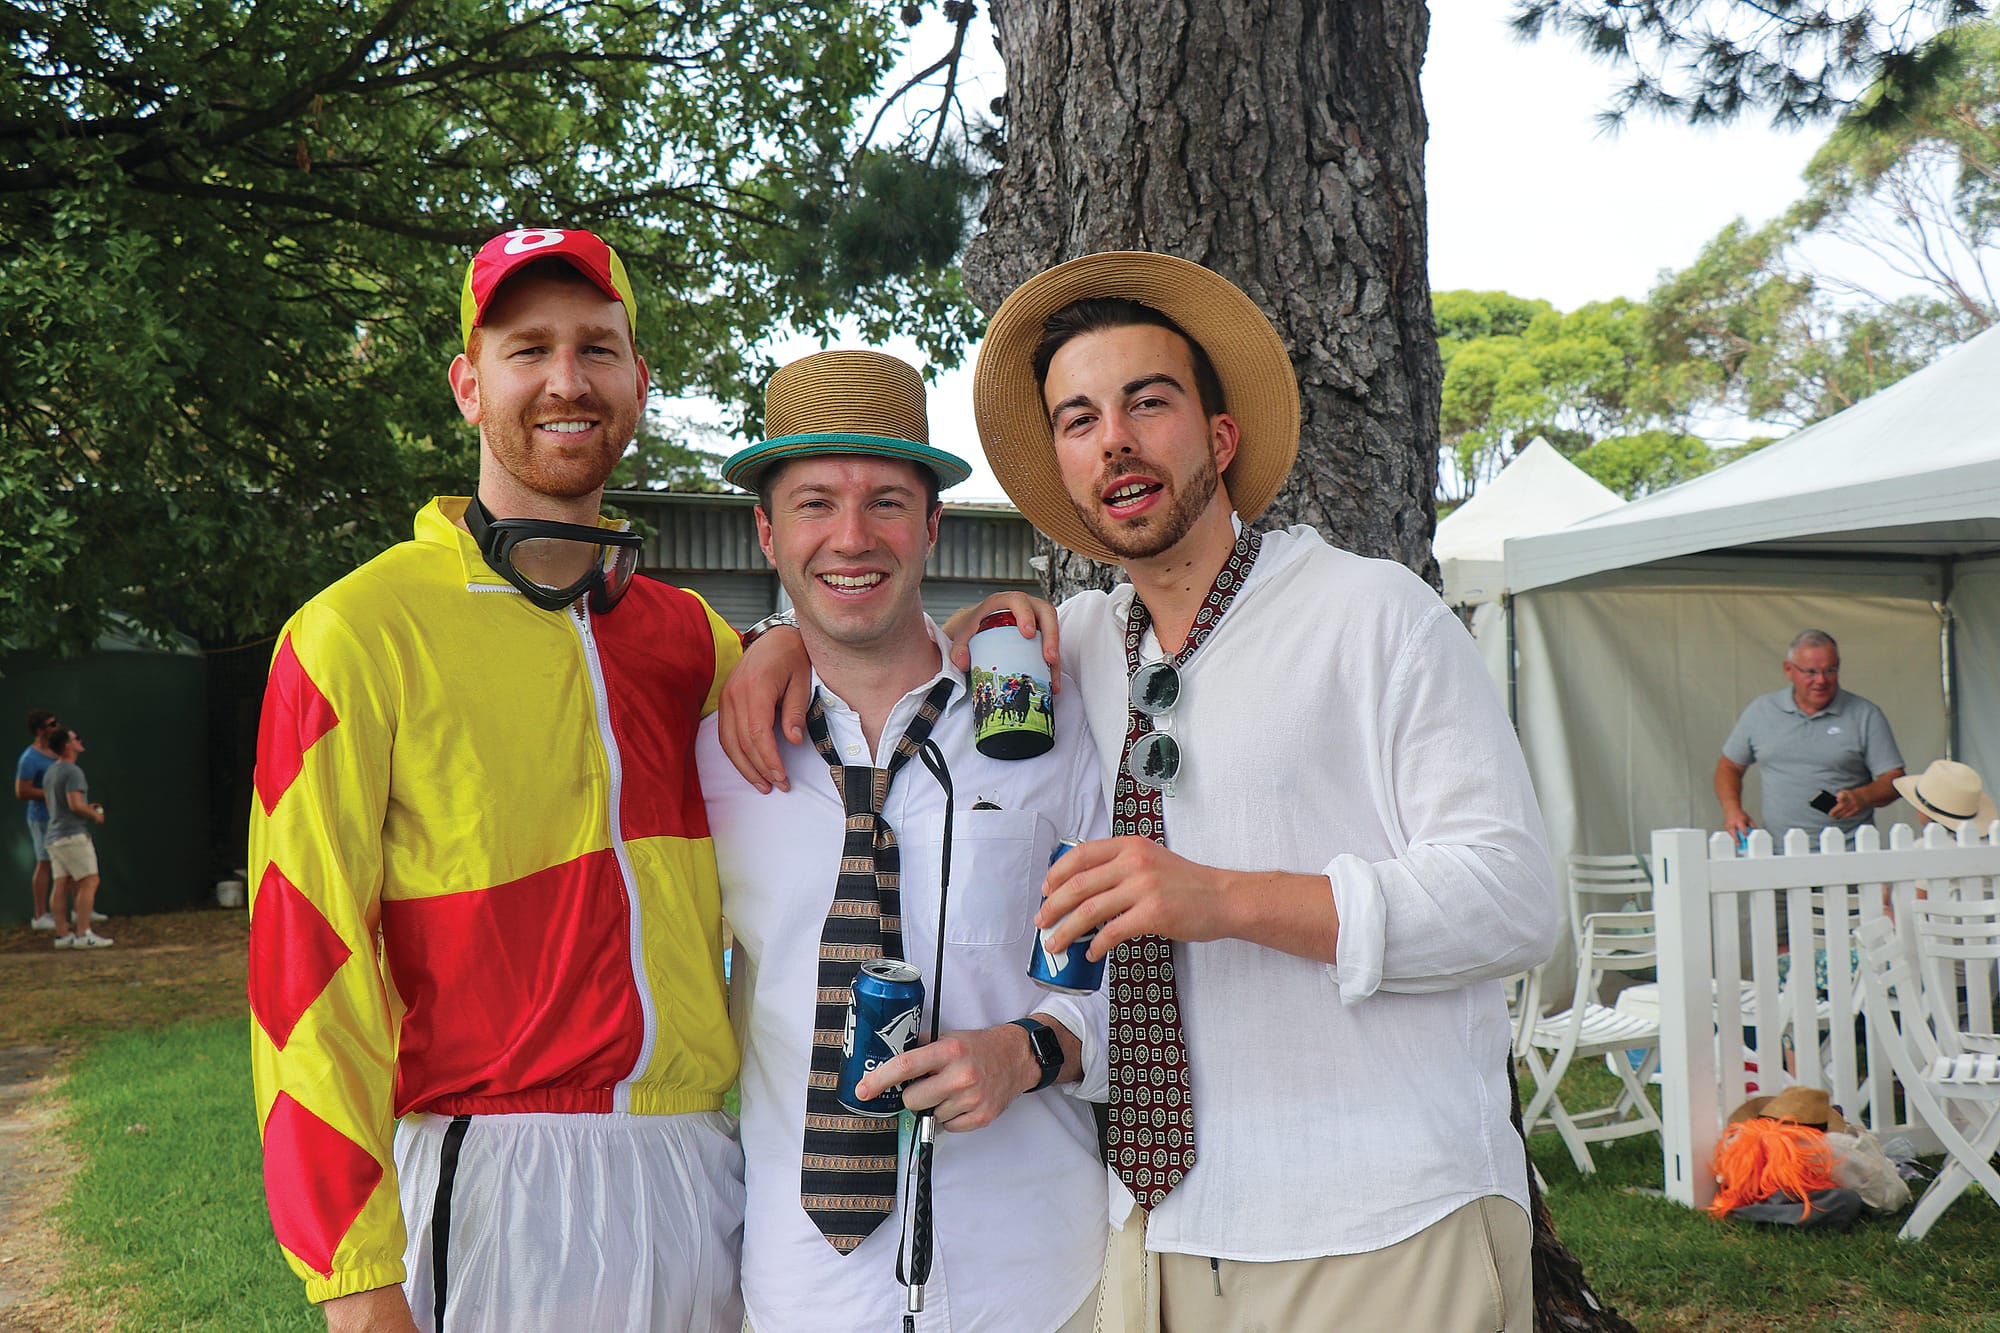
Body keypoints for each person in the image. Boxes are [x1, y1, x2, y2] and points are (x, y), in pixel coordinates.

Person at [721, 253, 1558, 1332]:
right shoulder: (1065, 651)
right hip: (1156, 1237)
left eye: (1147, 403)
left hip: (1379, 1217)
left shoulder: (1371, 615)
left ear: (1221, 437)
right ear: (1064, 469)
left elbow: (1513, 898)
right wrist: (776, 641)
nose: (1113, 438)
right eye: (1078, 419)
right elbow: (891, 630)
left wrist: (1222, 897)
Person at [247, 227, 745, 1333]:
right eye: (528, 350)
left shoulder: (698, 642)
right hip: (494, 1177)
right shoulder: (352, 633)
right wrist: (355, 1279)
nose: (567, 380)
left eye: (596, 348)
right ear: (469, 386)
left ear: (638, 380)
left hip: (698, 1172)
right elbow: (301, 966)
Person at [695, 349, 1111, 1332]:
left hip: (1035, 1278)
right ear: (766, 532)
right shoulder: (712, 755)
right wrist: (771, 639)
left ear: (931, 525)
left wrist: (1028, 1049)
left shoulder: (1044, 718)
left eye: (886, 502)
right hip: (804, 1292)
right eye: (814, 504)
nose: (852, 536)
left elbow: (1125, 972)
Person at [1715, 630, 1906, 845]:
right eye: (1811, 672)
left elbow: (1894, 780)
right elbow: (1729, 766)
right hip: (1779, 851)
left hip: (1850, 851)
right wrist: (1732, 810)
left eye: (1830, 670)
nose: (1821, 680)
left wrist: (1862, 797)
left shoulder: (1865, 714)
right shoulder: (1761, 710)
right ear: (1788, 670)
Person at [42, 727, 111, 949]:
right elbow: (74, 805)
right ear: (67, 746)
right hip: (72, 835)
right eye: (75, 739)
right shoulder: (73, 772)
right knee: (89, 881)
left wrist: (86, 807)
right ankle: (83, 934)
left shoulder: (51, 772)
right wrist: (94, 814)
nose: (80, 741)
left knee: (60, 884)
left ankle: (62, 935)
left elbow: (55, 805)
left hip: (54, 836)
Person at [16, 708, 61, 930]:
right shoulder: (29, 758)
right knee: (44, 863)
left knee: (69, 861)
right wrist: (52, 793)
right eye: (52, 725)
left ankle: (79, 910)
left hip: (62, 816)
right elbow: (22, 791)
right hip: (42, 819)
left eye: (56, 722)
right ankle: (40, 916)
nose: (57, 727)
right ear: (40, 731)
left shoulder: (58, 750)